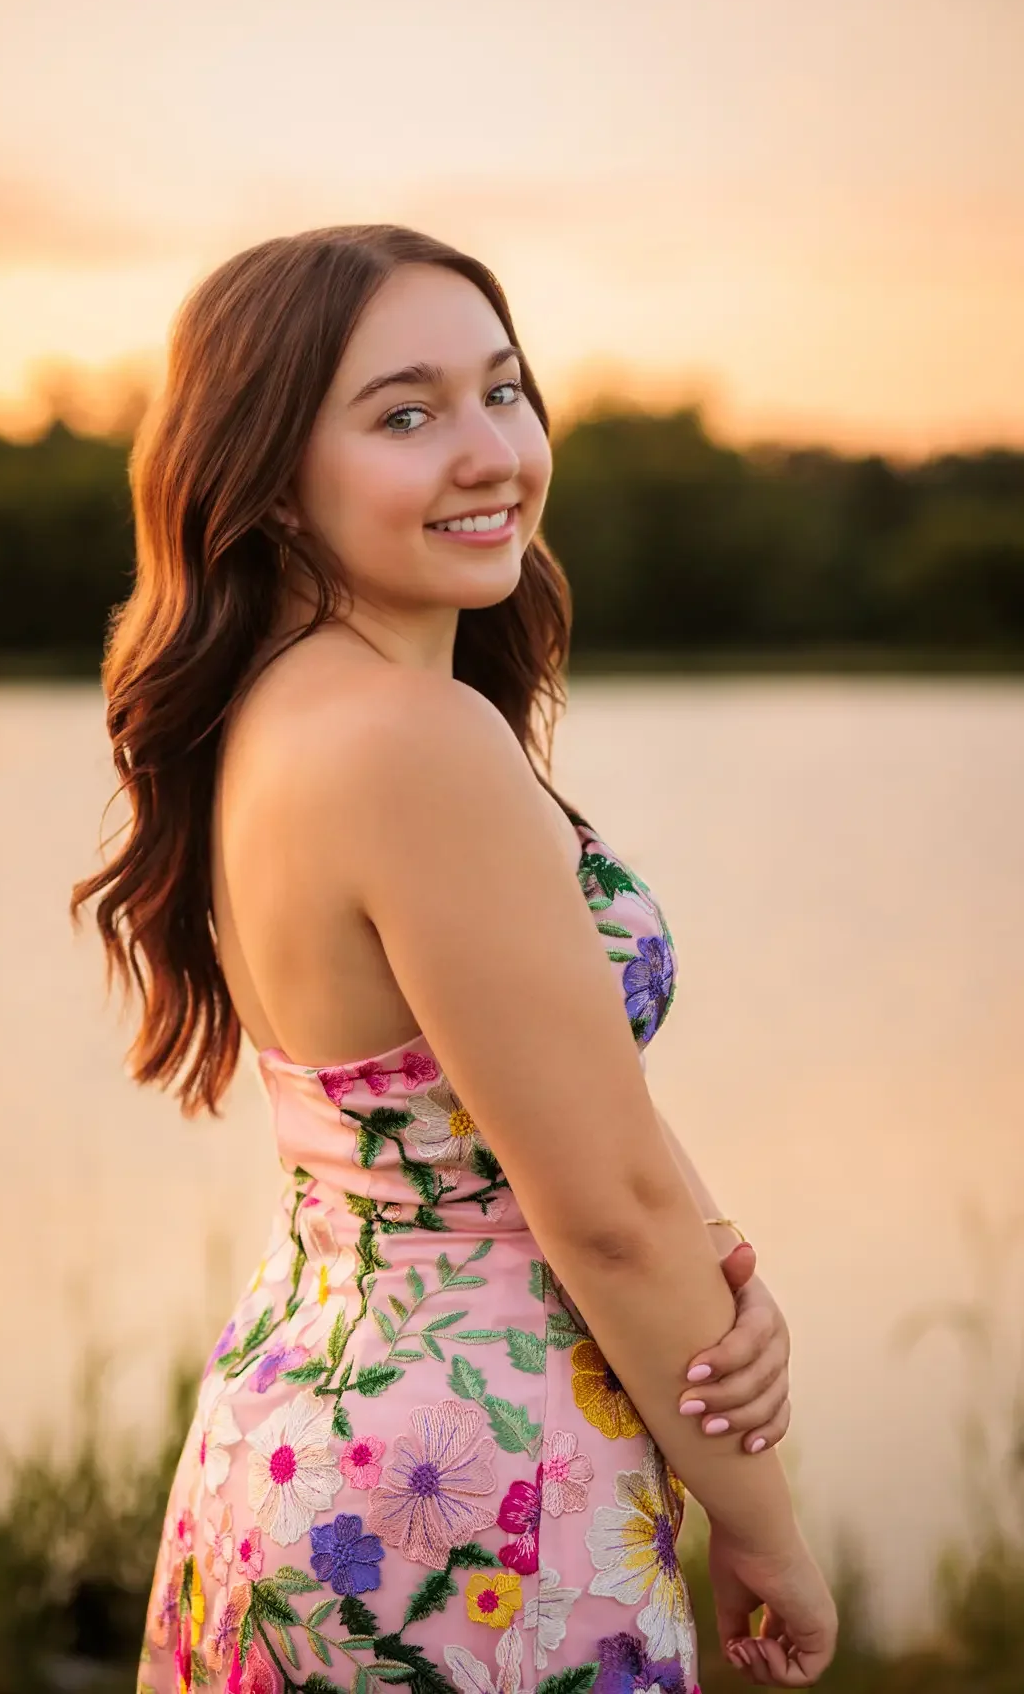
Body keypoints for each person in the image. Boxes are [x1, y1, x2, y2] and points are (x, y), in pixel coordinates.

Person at [72, 224, 837, 1694]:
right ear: (272, 482)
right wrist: (766, 1528)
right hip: (467, 1501)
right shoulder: (415, 741)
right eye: (406, 414)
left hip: (300, 1434)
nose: (489, 451)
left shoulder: (277, 713)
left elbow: (526, 1100)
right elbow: (601, 1214)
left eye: (503, 390)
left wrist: (721, 1259)